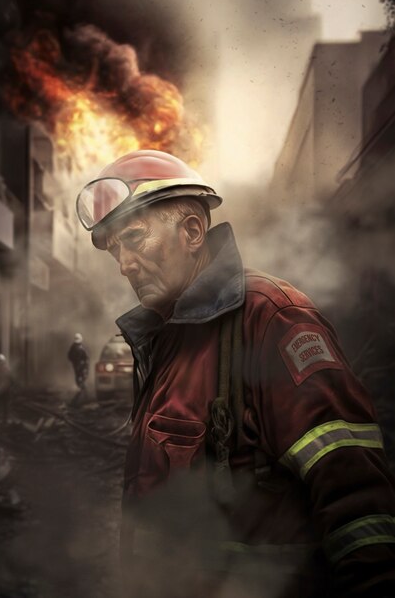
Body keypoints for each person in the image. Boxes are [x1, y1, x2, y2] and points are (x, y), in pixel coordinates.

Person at [76, 149, 395, 597]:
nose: (125, 264)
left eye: (134, 237)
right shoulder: (166, 337)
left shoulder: (272, 320)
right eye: (115, 250)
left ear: (192, 231)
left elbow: (356, 497)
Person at [67, 333, 89, 405]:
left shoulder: (73, 347)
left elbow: (69, 356)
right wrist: (83, 364)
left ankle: (82, 396)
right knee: (80, 380)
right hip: (80, 366)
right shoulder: (80, 348)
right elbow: (86, 358)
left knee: (79, 379)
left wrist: (75, 362)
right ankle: (82, 396)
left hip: (78, 366)